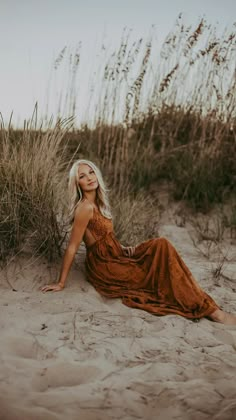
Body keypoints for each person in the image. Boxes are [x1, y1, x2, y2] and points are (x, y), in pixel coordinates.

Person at [41, 159, 236, 325]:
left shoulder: (98, 204)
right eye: (82, 176)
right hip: (105, 266)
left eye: (91, 172)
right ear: (77, 183)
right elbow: (73, 246)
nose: (89, 178)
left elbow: (105, 238)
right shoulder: (84, 208)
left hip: (117, 255)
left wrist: (125, 249)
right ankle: (213, 312)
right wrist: (61, 282)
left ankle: (205, 305)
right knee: (154, 275)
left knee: (162, 245)